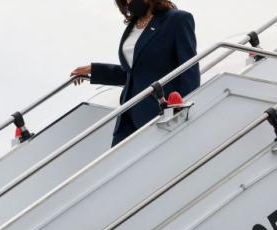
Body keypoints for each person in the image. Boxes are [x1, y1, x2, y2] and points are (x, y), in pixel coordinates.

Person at [71, 0, 201, 146]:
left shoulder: (177, 20)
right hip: (128, 115)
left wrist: (182, 111)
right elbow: (133, 74)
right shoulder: (132, 27)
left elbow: (190, 69)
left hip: (160, 114)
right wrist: (95, 70)